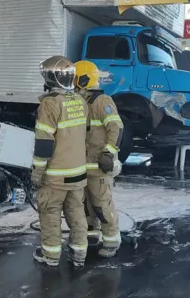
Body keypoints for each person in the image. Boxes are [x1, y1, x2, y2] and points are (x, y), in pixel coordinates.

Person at [31, 56, 89, 268]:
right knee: (76, 214)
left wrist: (38, 170)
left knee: (50, 213)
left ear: (50, 78)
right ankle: (79, 254)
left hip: (56, 175)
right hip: (78, 174)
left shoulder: (50, 104)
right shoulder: (81, 101)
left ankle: (51, 256)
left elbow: (44, 141)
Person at [74, 60, 123, 258]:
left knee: (102, 204)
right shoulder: (81, 102)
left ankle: (111, 240)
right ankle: (91, 234)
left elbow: (117, 128)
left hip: (99, 165)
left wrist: (108, 152)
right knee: (86, 204)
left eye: (75, 79)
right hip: (84, 165)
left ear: (84, 79)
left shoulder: (102, 101)